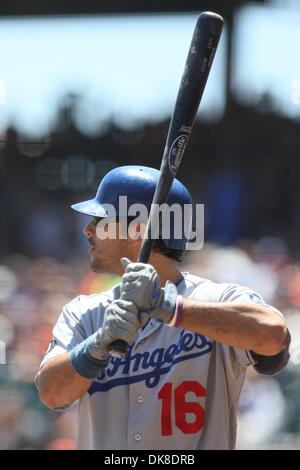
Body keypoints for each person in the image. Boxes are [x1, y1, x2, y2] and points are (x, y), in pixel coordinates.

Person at [35, 165, 290, 450]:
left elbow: (273, 337)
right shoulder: (84, 313)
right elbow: (51, 394)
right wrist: (97, 344)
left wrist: (168, 307)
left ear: (138, 231)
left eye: (100, 219)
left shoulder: (215, 299)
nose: (88, 229)